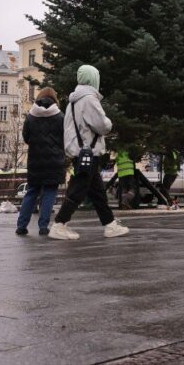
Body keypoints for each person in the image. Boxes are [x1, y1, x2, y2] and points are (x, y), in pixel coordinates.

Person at [48, 65, 130, 240]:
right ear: (93, 79)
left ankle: (110, 224)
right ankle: (59, 224)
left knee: (97, 192)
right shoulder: (89, 99)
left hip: (80, 151)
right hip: (88, 151)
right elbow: (103, 125)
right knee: (78, 189)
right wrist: (109, 121)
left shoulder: (73, 101)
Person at [16, 87, 66, 235]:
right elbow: (65, 137)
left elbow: (26, 137)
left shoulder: (31, 116)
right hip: (55, 161)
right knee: (50, 192)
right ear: (55, 99)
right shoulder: (60, 117)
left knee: (31, 192)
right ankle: (43, 226)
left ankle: (21, 226)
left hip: (35, 160)